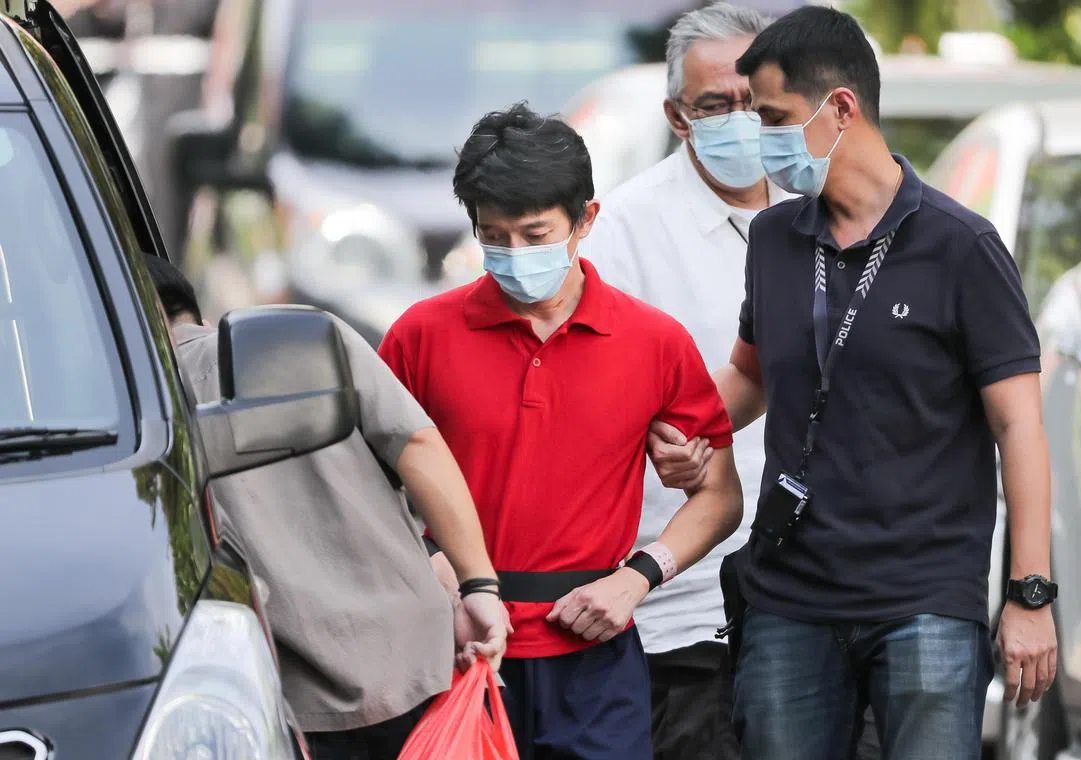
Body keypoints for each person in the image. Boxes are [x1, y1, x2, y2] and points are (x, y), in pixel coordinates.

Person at [650, 7, 1056, 759]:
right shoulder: (775, 237)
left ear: (841, 108)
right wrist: (681, 429)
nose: (760, 138)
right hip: (789, 597)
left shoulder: (961, 247)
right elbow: (750, 374)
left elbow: (1020, 428)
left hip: (925, 599)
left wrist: (1030, 595)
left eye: (774, 118)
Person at [378, 103, 744, 760]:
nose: (514, 255)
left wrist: (637, 578)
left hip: (594, 661)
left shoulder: (654, 343)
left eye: (535, 234)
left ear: (586, 220)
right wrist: (432, 566)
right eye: (494, 236)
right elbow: (363, 489)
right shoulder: (420, 336)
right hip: (454, 650)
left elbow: (719, 496)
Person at [144, 253, 510, 760]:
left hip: (287, 697)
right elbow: (416, 444)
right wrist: (479, 585)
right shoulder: (302, 338)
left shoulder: (129, 415)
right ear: (196, 315)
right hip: (416, 663)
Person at [579, 5, 781, 759]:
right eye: (715, 105)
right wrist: (670, 436)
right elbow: (597, 403)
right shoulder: (625, 233)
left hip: (816, 594)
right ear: (677, 116)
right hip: (682, 606)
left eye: (753, 101)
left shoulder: (821, 210)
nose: (740, 120)